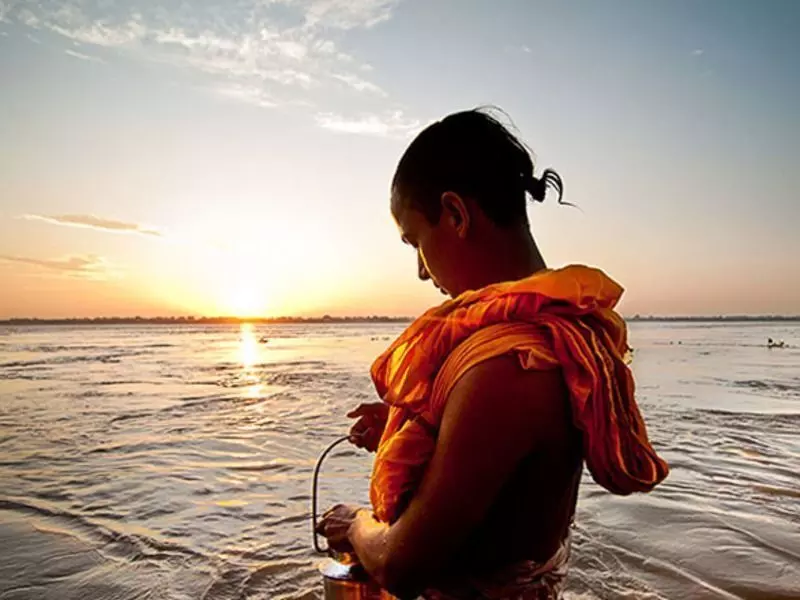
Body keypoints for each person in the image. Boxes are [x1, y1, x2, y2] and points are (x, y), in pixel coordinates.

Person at [316, 108, 668, 599]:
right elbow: (505, 484)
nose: (421, 270)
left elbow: (401, 566)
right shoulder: (553, 335)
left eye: (416, 241)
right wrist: (414, 430)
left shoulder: (508, 368)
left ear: (456, 215)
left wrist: (356, 524)